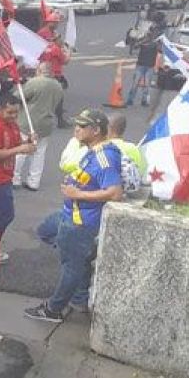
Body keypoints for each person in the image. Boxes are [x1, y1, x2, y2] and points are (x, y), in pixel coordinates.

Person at [25, 109, 124, 323]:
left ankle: (53, 309)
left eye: (82, 126)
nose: (76, 129)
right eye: (76, 124)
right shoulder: (93, 150)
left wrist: (78, 193)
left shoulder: (104, 156)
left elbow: (115, 192)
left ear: (96, 130)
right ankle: (79, 273)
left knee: (71, 266)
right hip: (71, 215)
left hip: (80, 222)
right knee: (46, 231)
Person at [0, 92, 37, 253]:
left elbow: (15, 144)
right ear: (0, 110)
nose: (14, 116)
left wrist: (27, 143)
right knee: (6, 214)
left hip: (6, 175)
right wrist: (20, 149)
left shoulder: (12, 125)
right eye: (10, 112)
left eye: (16, 113)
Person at [15, 64, 65, 192]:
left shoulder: (35, 82)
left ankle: (15, 178)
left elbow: (17, 97)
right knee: (39, 153)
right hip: (46, 123)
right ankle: (34, 181)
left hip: (28, 121)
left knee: (21, 150)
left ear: (39, 70)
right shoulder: (58, 86)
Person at [127, 27, 161, 107]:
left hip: (150, 67)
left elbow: (161, 50)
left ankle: (144, 101)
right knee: (135, 84)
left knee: (146, 85)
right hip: (140, 65)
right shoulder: (143, 41)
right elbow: (134, 48)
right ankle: (130, 100)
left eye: (153, 34)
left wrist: (158, 43)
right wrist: (140, 41)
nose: (151, 36)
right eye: (149, 34)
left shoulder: (156, 43)